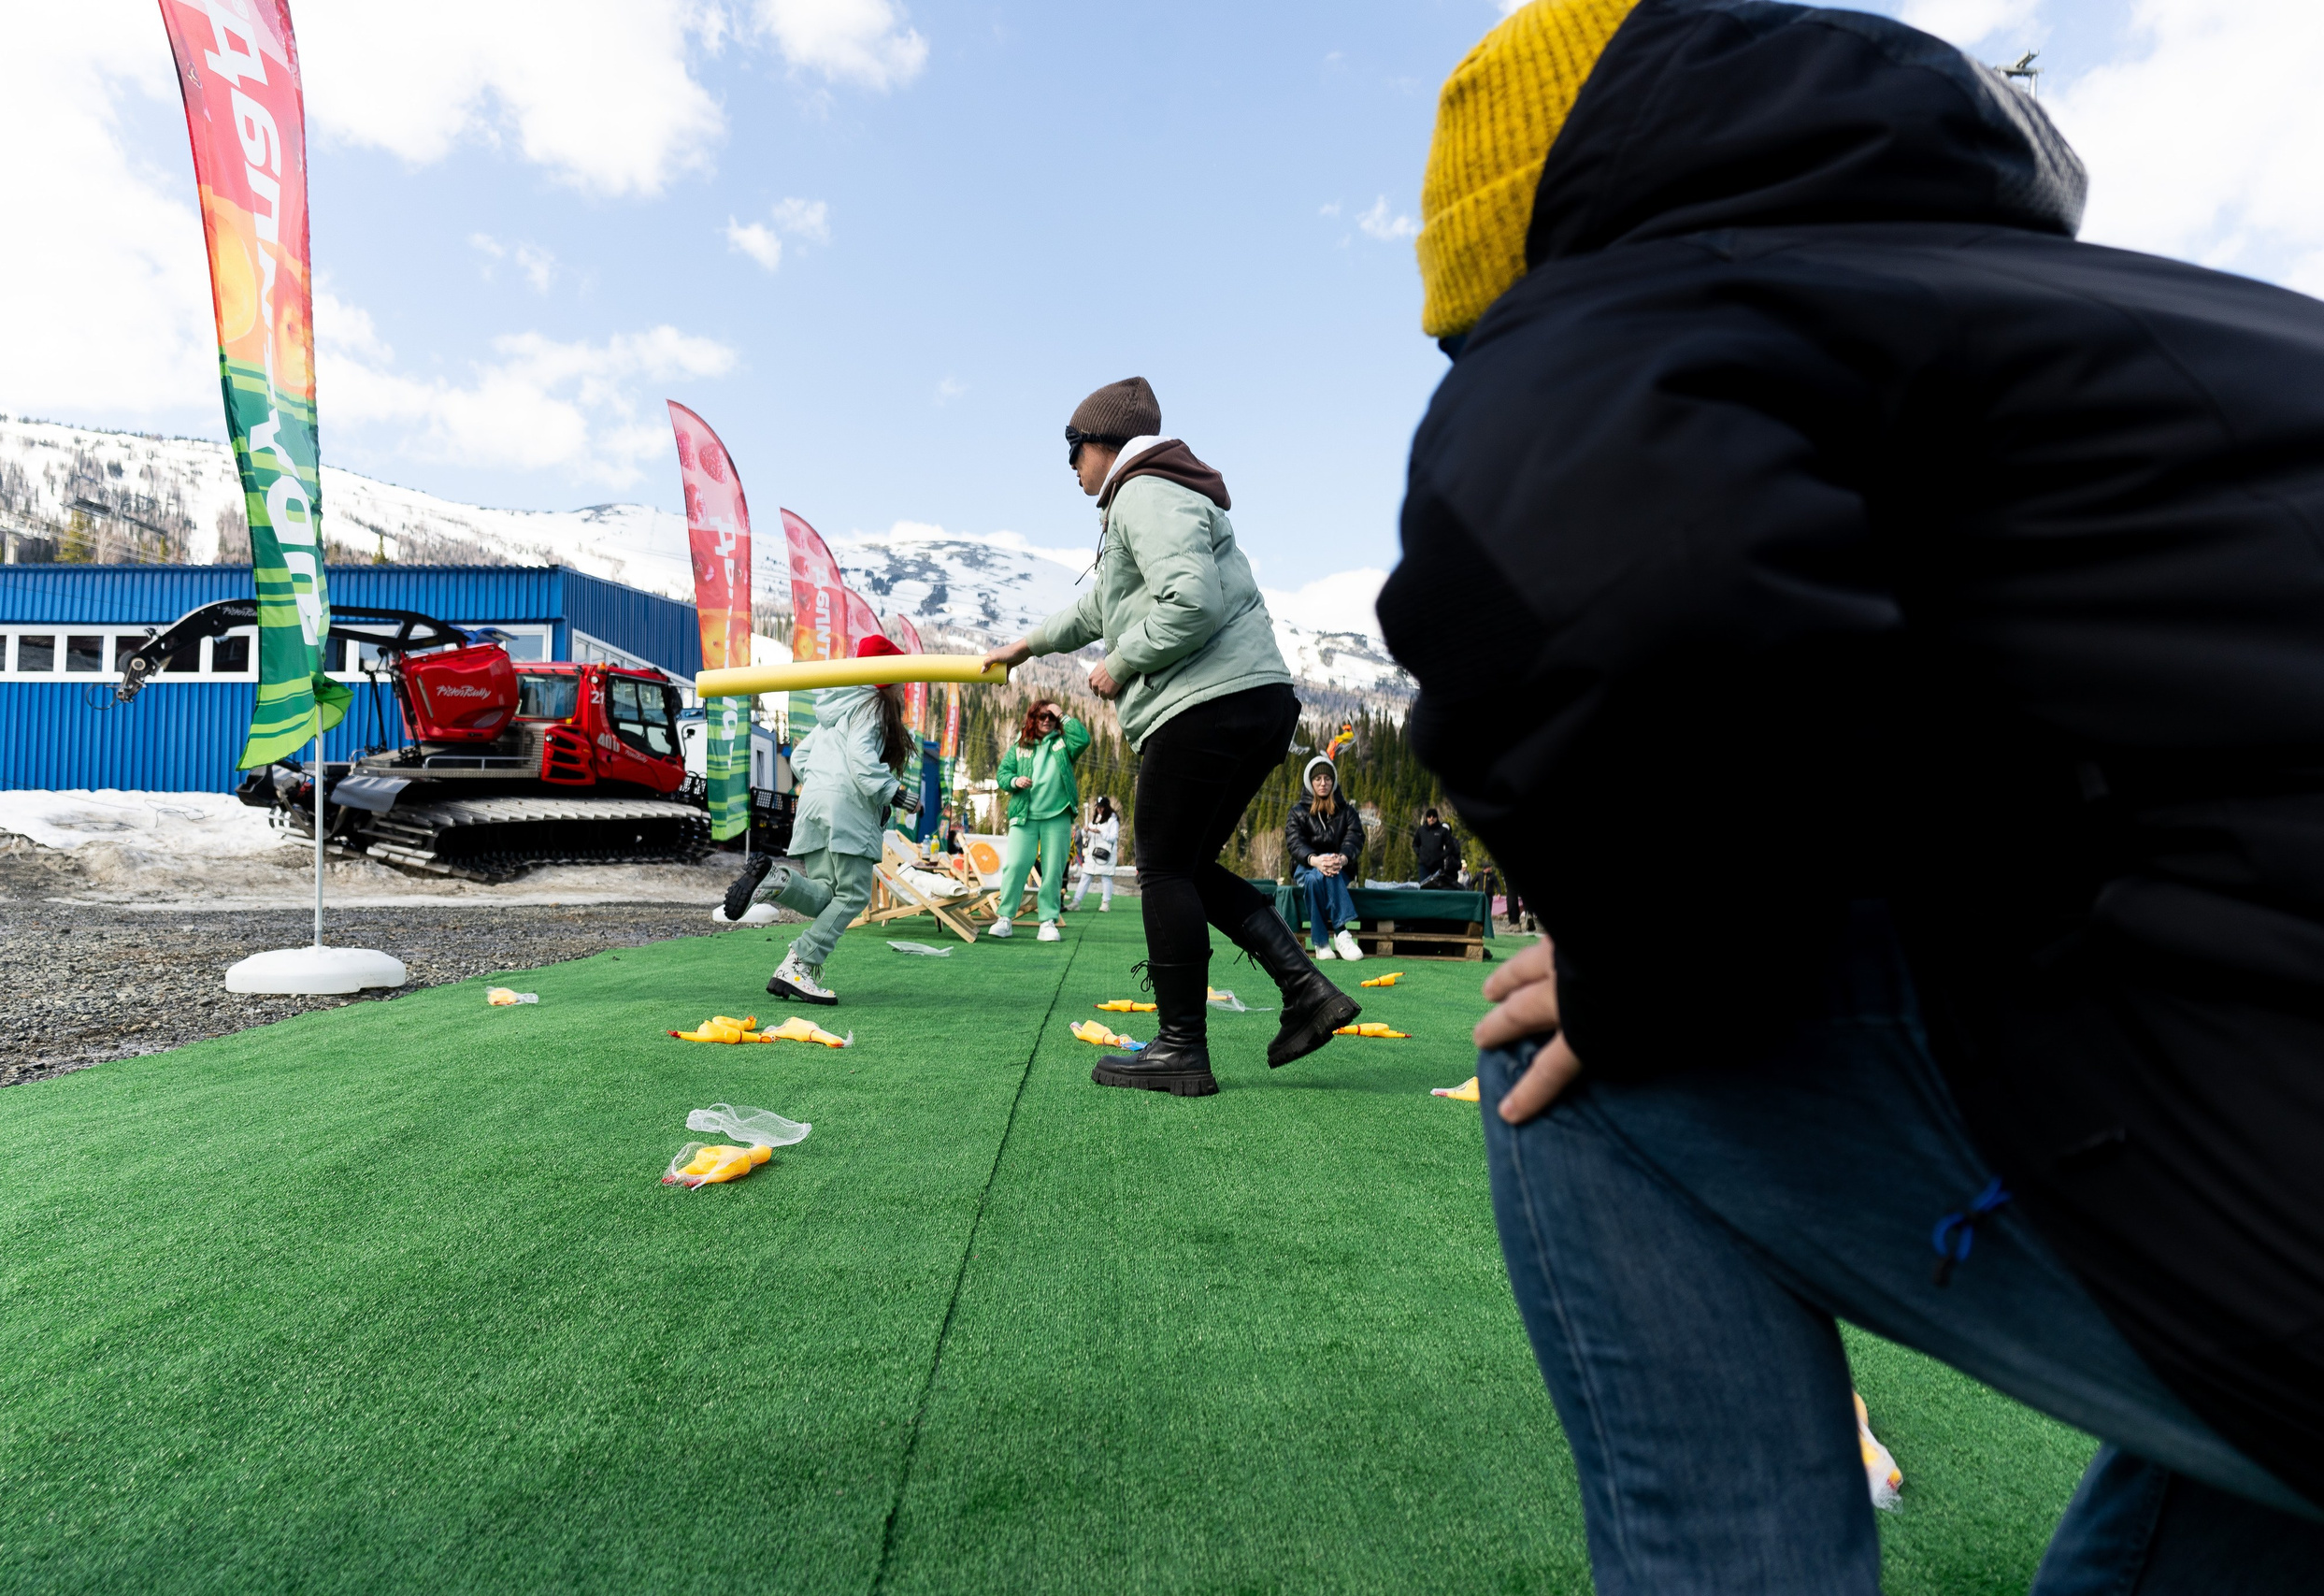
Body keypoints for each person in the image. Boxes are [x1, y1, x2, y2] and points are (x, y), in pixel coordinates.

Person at [1377, 0, 2324, 1588]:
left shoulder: (1624, 312)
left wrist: (1644, 971)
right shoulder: (2121, 313)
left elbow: (1633, 608)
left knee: (1587, 1051)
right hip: (2263, 1059)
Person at [982, 376, 1360, 1096]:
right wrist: (1025, 646)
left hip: (1205, 703)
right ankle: (1306, 990)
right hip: (1250, 701)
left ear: (1105, 443)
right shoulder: (1154, 496)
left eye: (1073, 448)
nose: (1072, 467)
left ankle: (1182, 1045)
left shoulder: (1145, 491)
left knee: (1161, 869)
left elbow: (1192, 600)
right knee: (1187, 867)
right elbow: (1096, 606)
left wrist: (1121, 662)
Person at [716, 634, 914, 1004]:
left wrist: (826, 784)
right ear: (888, 677)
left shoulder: (836, 709)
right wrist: (895, 792)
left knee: (826, 893)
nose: (904, 686)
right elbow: (861, 760)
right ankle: (800, 963)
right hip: (848, 811)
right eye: (901, 677)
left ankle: (777, 881)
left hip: (813, 805)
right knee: (853, 895)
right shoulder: (873, 706)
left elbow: (799, 758)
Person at [988, 698, 1089, 942]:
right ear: (1032, 719)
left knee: (1053, 869)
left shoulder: (1064, 743)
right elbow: (1003, 774)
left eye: (1051, 717)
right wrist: (1015, 781)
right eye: (1042, 716)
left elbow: (1083, 739)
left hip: (1058, 815)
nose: (1047, 720)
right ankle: (1005, 918)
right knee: (1016, 865)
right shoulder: (1020, 744)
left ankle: (1048, 921)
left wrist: (1062, 714)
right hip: (1024, 814)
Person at [1284, 755, 1365, 961]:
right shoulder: (1297, 812)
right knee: (1314, 874)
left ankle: (1322, 943)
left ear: (1333, 782)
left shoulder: (1347, 811)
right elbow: (1294, 842)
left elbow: (1355, 838)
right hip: (1306, 865)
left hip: (1339, 868)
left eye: (1327, 778)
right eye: (1318, 779)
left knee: (1315, 880)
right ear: (1310, 782)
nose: (1323, 783)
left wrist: (1343, 859)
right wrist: (1315, 860)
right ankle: (1341, 932)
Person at [1070, 794, 1122, 913]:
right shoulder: (1095, 819)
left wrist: (1100, 832)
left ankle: (1105, 903)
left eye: (1102, 807)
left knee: (1106, 878)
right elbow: (1085, 834)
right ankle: (1076, 902)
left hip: (1106, 855)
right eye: (1098, 807)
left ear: (1107, 807)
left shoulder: (1112, 820)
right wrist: (1085, 830)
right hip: (1092, 853)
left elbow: (1113, 837)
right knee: (1085, 876)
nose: (1100, 809)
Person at [1413, 808, 1461, 888]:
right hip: (1424, 864)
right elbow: (1415, 844)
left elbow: (1450, 846)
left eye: (1434, 816)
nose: (1431, 818)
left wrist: (1442, 855)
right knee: (1423, 887)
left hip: (1438, 865)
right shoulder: (1421, 830)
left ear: (1437, 818)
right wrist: (1419, 854)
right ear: (1426, 818)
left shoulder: (1443, 831)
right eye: (1429, 816)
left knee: (1437, 887)